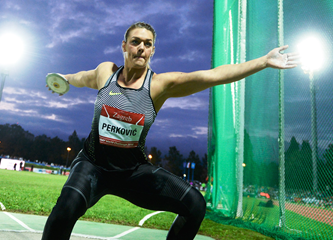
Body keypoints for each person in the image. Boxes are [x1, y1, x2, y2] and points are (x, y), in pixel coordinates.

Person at [42, 22, 299, 240]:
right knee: (64, 210)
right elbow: (82, 77)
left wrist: (263, 62)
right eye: (135, 42)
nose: (141, 47)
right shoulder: (105, 72)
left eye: (147, 43)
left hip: (132, 173)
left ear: (153, 50)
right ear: (124, 46)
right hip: (92, 166)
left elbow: (214, 75)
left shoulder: (160, 85)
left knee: (195, 205)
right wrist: (64, 78)